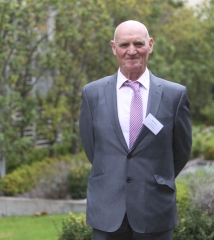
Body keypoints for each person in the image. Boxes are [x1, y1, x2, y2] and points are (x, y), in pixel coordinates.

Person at [79, 20, 192, 240]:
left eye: (138, 43)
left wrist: (155, 178)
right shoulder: (92, 94)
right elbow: (92, 148)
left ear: (150, 45)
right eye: (124, 45)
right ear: (114, 48)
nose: (132, 51)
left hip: (155, 209)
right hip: (106, 209)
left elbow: (181, 152)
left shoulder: (174, 95)